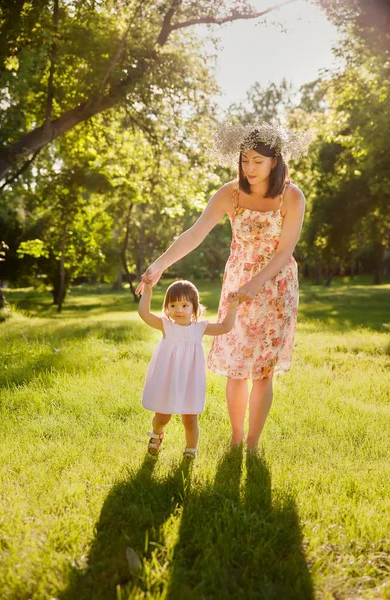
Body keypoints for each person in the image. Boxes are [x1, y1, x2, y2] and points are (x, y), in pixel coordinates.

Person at [136, 121, 311, 453]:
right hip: (237, 286)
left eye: (258, 161)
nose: (250, 168)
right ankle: (235, 437)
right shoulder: (229, 193)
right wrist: (159, 265)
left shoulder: (292, 196)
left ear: (275, 161)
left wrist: (257, 282)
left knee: (262, 371)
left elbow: (285, 249)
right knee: (236, 366)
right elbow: (194, 233)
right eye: (245, 160)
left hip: (275, 287)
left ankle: (254, 443)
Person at [138, 279, 239, 458]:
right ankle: (157, 432)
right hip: (168, 378)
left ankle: (191, 450)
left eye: (185, 305)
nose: (179, 310)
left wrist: (232, 307)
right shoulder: (166, 326)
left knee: (190, 418)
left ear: (194, 307)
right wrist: (147, 291)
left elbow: (225, 327)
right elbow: (144, 313)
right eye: (173, 305)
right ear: (167, 307)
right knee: (162, 416)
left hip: (190, 380)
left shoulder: (200, 328)